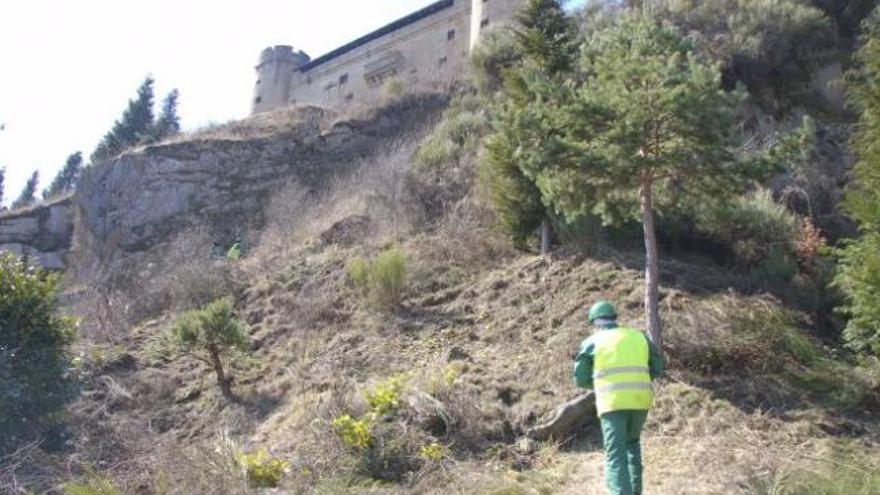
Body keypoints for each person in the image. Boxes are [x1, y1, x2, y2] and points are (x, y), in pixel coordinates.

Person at [573, 301, 664, 495]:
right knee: (632, 444)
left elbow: (580, 378)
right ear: (614, 317)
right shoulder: (639, 336)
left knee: (615, 455)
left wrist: (598, 384)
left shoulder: (593, 341)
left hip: (612, 403)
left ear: (595, 322)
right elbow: (657, 367)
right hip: (640, 400)